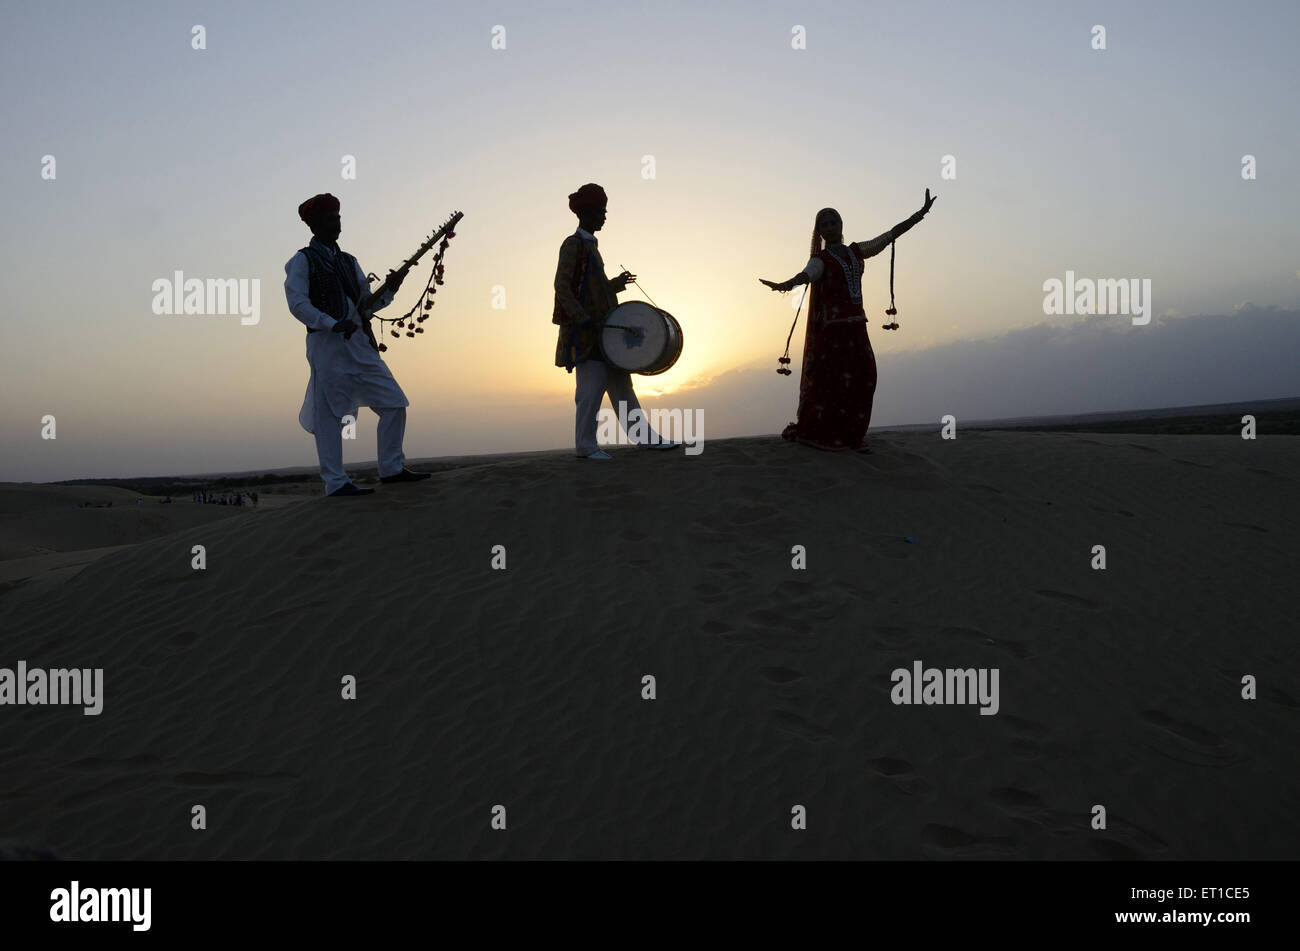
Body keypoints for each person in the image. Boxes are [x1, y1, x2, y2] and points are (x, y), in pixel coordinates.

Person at [761, 190, 936, 452]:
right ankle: (829, 436)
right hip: (833, 332)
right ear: (820, 232)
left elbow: (888, 236)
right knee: (833, 384)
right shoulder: (820, 260)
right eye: (825, 224)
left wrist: (919, 215)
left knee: (865, 377)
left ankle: (852, 435)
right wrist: (785, 284)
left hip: (857, 326)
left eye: (834, 222)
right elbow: (808, 274)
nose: (830, 227)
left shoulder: (856, 252)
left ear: (841, 225)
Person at [284, 193, 433, 496]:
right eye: (330, 218)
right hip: (327, 346)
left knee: (394, 402)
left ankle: (391, 468)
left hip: (359, 345)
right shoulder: (302, 260)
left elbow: (365, 305)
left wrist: (390, 290)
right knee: (330, 415)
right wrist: (330, 322)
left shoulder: (349, 262)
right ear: (315, 225)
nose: (337, 223)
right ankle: (336, 482)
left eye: (338, 217)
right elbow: (297, 303)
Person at [553, 183, 678, 459]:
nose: (605, 216)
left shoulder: (591, 248)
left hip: (606, 332)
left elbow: (593, 289)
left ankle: (645, 439)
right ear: (587, 214)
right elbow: (561, 287)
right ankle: (585, 446)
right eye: (601, 211)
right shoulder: (572, 245)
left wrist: (616, 285)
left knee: (622, 386)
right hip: (586, 334)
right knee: (590, 388)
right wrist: (582, 319)